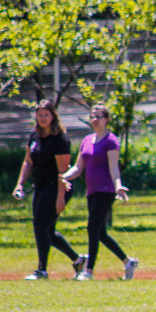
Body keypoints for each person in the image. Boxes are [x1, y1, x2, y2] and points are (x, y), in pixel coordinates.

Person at [60, 104, 139, 281]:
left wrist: (118, 185)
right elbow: (78, 167)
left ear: (107, 119)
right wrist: (64, 177)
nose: (95, 120)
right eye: (92, 116)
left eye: (98, 116)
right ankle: (128, 262)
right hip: (92, 190)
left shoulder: (111, 140)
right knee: (100, 232)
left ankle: (88, 270)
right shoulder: (87, 140)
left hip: (106, 190)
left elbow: (114, 167)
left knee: (92, 227)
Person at [12, 99, 86, 280]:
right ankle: (78, 260)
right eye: (40, 115)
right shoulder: (34, 136)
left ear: (53, 116)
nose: (43, 118)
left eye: (46, 114)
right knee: (47, 230)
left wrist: (61, 198)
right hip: (41, 186)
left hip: (57, 187)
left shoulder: (59, 139)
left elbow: (63, 172)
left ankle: (42, 270)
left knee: (40, 225)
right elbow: (28, 161)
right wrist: (20, 183)